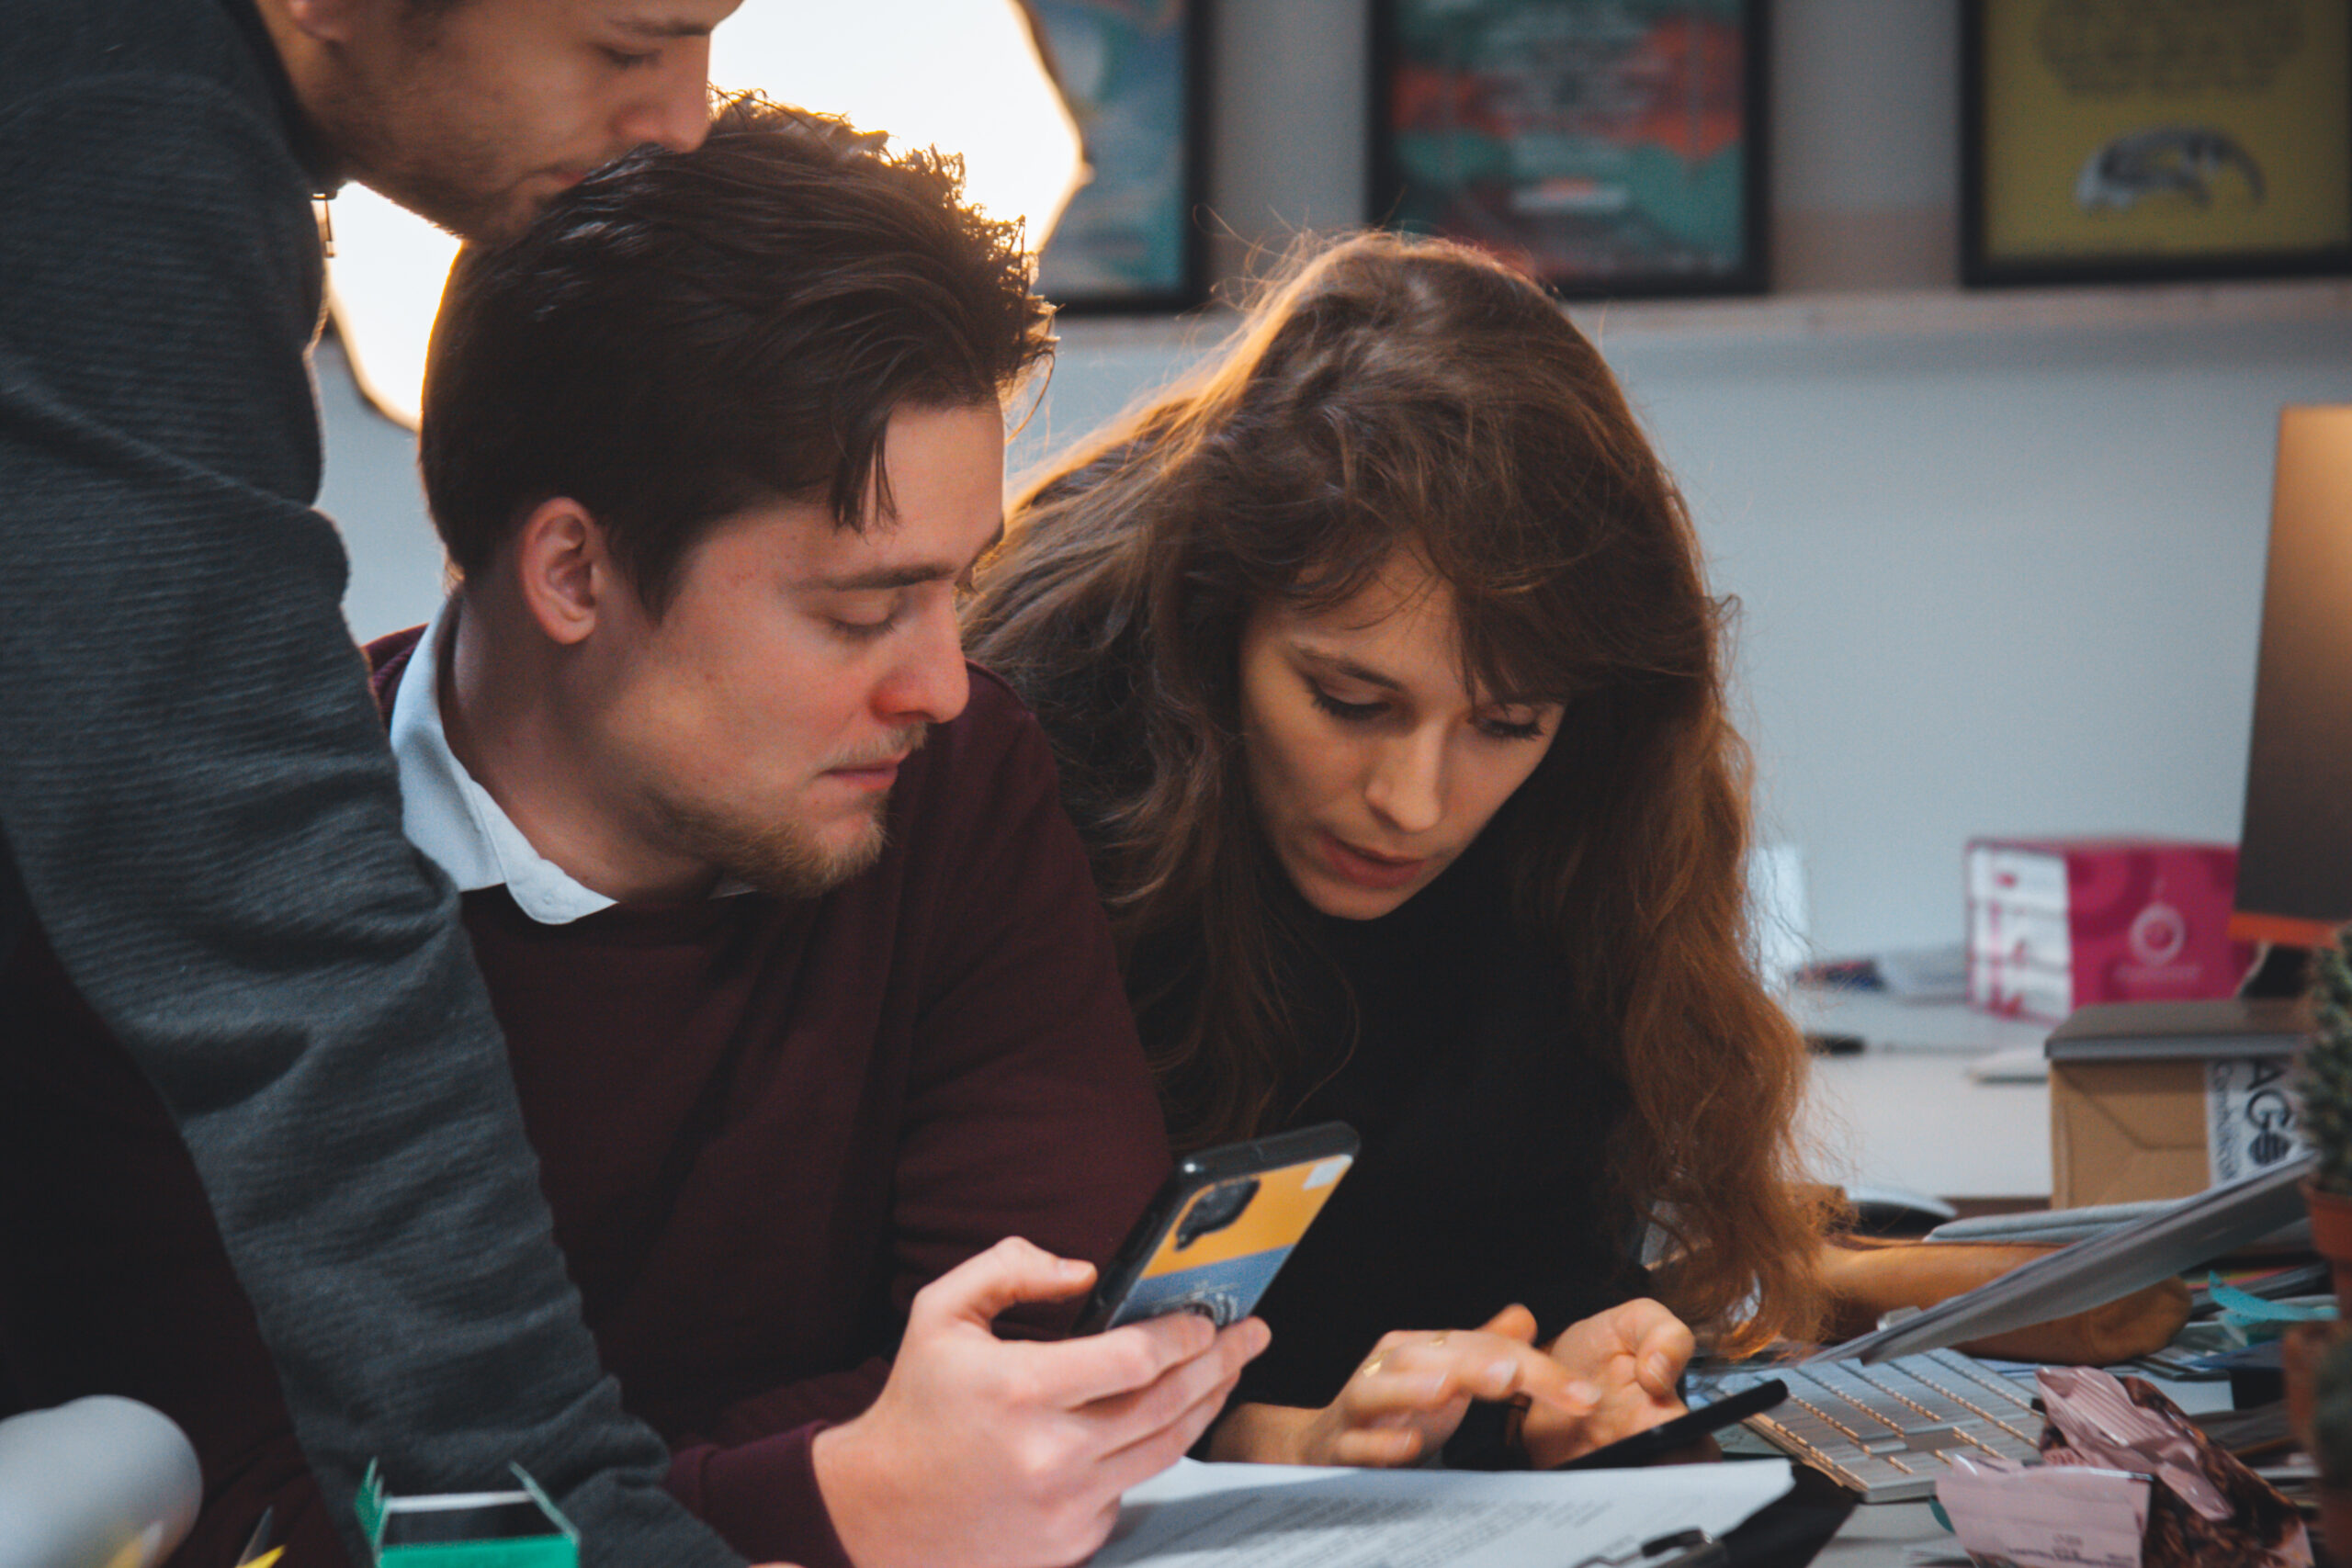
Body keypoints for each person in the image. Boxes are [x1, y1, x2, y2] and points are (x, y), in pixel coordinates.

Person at [1, 97, 1268, 1568]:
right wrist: (839, 1491)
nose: (936, 681)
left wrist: (571, 1483)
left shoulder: (957, 780)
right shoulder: (179, 890)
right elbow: (228, 1523)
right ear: (573, 572)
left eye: (953, 590)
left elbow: (1045, 1367)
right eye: (861, 611)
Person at [0, 3, 775, 1562]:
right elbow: (257, 885)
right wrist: (567, 1510)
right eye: (630, 42)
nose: (685, 117)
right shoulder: (114, 125)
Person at [964, 231, 1828, 1470]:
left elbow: (1517, 1238)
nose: (1416, 803)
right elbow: (1005, 1357)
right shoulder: (1036, 761)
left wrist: (1579, 1350)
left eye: (1504, 723)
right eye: (1350, 703)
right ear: (1219, 623)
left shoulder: (1588, 810)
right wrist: (1287, 1435)